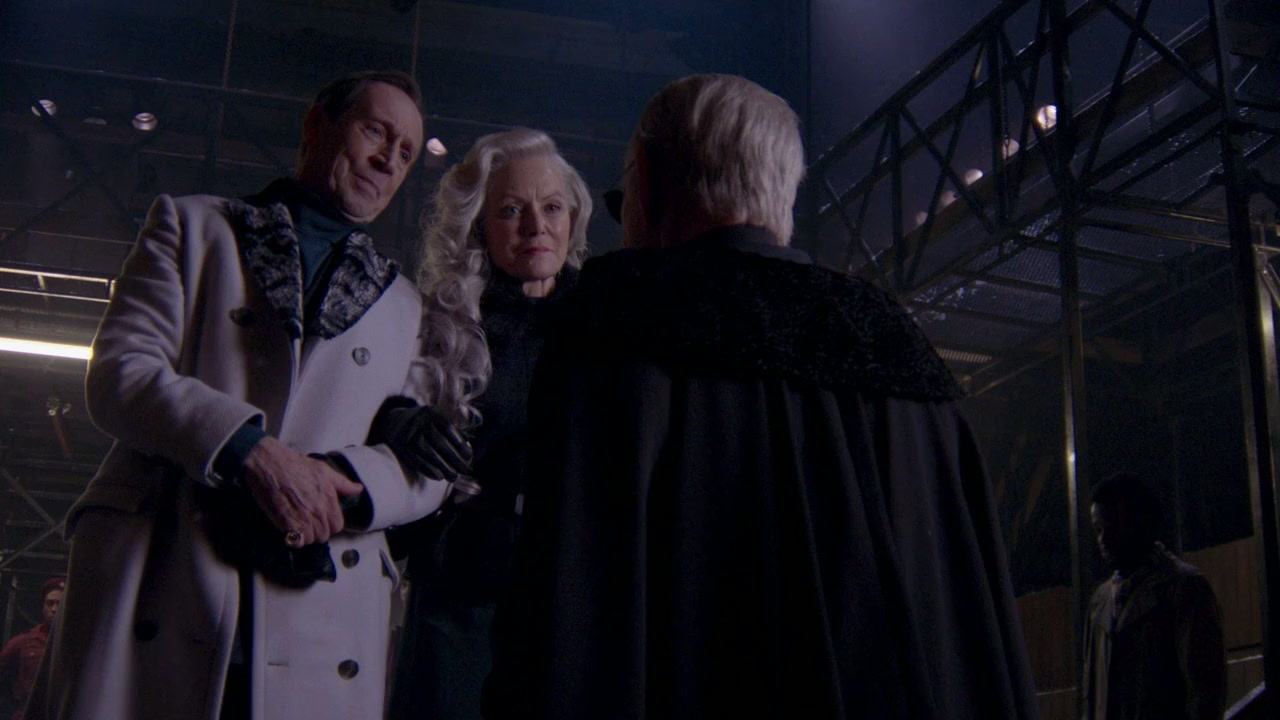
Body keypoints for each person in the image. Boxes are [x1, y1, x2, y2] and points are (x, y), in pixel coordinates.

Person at [482, 73, 1040, 719]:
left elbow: (570, 624)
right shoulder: (897, 346)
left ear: (652, 180)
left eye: (623, 188)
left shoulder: (619, 324)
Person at [24, 70, 475, 720]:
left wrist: (337, 483)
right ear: (317, 125)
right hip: (167, 570)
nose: (388, 160)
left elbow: (425, 474)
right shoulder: (193, 227)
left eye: (406, 153)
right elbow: (121, 373)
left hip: (315, 600)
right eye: (376, 131)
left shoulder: (409, 305)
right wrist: (251, 451)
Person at [386, 127, 592, 720]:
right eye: (510, 210)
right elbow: (367, 409)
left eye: (552, 208)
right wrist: (398, 420)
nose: (536, 227)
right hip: (461, 595)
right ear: (478, 225)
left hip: (570, 594)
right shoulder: (440, 322)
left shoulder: (603, 323)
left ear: (573, 217)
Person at [1083, 472, 1226, 720]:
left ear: (1141, 523)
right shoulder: (1100, 601)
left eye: (1114, 526)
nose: (1103, 539)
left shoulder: (1184, 589)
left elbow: (1205, 692)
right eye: (1098, 529)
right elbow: (1091, 696)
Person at [0, 578, 63, 720]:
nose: (54, 609)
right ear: (43, 606)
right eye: (50, 603)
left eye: (60, 604)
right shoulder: (25, 641)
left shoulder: (77, 644)